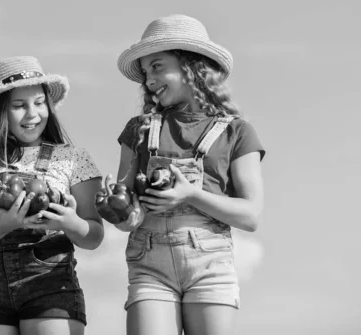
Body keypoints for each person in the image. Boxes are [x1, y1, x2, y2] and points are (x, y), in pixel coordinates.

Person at [112, 14, 266, 335]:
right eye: (144, 72)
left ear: (190, 66)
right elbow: (126, 206)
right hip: (149, 261)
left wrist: (191, 194)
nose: (149, 79)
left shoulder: (237, 133)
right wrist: (120, 211)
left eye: (156, 66)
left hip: (209, 264)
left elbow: (250, 215)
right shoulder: (138, 130)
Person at [0, 56, 104, 335]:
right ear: (0, 113)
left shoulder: (74, 159)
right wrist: (3, 224)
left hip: (52, 288)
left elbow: (93, 236)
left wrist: (69, 222)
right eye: (19, 106)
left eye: (39, 102)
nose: (32, 114)